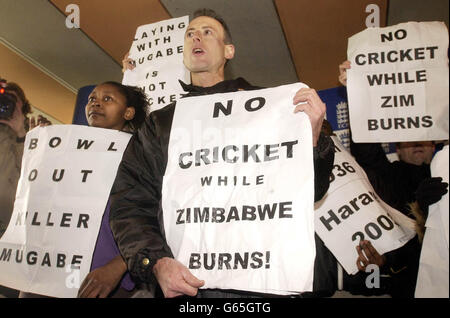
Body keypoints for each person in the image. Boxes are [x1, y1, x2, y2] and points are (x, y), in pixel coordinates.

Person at [110, 8, 334, 298]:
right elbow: (130, 201)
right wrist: (155, 262)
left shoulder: (271, 111)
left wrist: (313, 141)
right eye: (189, 34)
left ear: (229, 50)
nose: (195, 37)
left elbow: (311, 192)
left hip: (262, 288)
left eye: (207, 32)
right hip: (186, 287)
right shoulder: (161, 124)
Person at [18, 81, 148, 298]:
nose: (96, 103)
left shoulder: (142, 156)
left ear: (128, 112)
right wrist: (38, 154)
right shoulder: (63, 151)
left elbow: (154, 218)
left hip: (103, 277)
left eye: (107, 99)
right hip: (47, 268)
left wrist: (118, 265)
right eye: (92, 99)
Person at [338, 61, 448, 297]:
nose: (417, 143)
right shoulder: (391, 179)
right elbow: (367, 153)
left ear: (436, 144)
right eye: (409, 138)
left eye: (425, 136)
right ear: (397, 148)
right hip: (411, 287)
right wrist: (357, 94)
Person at [0, 80, 51, 238]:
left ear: (22, 103)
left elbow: (35, 173)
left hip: (12, 218)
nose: (7, 102)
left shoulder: (37, 129)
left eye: (12, 99)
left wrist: (22, 134)